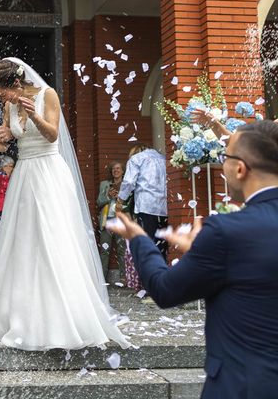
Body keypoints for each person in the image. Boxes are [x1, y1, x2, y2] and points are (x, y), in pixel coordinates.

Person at [107, 120, 278, 399]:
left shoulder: (226, 232)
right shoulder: (226, 237)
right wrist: (202, 253)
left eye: (225, 157)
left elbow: (165, 290)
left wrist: (139, 239)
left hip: (243, 386)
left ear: (240, 168)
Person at [0, 58, 130, 351]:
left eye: (3, 93)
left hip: (49, 172)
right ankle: (21, 313)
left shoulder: (48, 95)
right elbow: (6, 145)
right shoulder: (9, 106)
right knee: (23, 242)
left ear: (16, 83)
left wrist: (33, 116)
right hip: (24, 175)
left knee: (52, 238)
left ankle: (64, 313)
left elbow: (53, 134)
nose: (2, 100)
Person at [116, 144, 168, 262]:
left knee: (147, 244)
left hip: (146, 206)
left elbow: (129, 182)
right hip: (164, 207)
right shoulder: (163, 158)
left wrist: (120, 201)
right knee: (162, 245)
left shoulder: (136, 159)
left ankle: (150, 276)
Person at [97, 161, 126, 281]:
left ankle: (124, 278)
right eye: (114, 169)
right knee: (104, 250)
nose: (116, 170)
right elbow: (99, 202)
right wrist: (108, 197)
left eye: (118, 168)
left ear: (123, 171)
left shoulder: (127, 184)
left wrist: (121, 198)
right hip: (107, 220)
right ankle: (102, 280)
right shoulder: (105, 184)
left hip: (121, 220)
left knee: (122, 250)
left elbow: (131, 202)